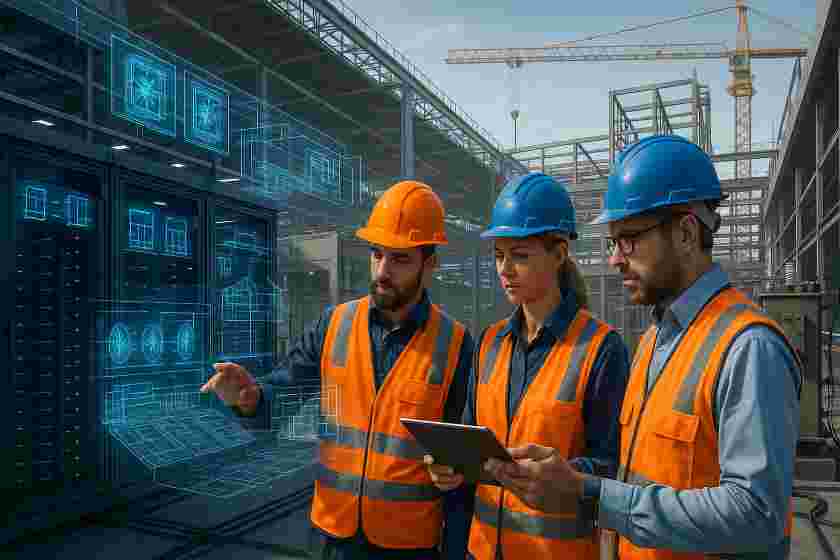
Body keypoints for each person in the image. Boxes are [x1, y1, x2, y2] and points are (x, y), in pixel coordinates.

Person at [483, 136, 803, 560]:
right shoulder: (654, 342)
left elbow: (756, 513)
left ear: (687, 232)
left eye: (628, 240)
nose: (615, 259)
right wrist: (564, 475)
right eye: (614, 242)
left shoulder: (747, 348)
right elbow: (637, 470)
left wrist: (593, 494)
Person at [201, 180, 476, 560]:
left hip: (409, 547)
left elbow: (463, 465)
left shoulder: (457, 346)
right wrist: (249, 398)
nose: (382, 270)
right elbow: (278, 399)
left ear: (430, 264)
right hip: (334, 538)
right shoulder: (333, 326)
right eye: (377, 253)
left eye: (400, 259)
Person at [426, 172, 631, 560]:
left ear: (558, 254)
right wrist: (448, 465)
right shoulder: (488, 342)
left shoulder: (602, 349)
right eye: (500, 255)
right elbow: (470, 435)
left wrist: (561, 474)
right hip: (482, 550)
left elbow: (616, 466)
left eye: (519, 255)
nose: (505, 269)